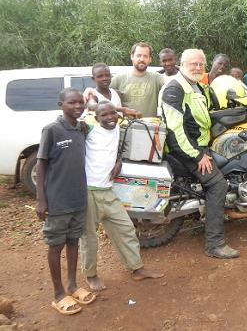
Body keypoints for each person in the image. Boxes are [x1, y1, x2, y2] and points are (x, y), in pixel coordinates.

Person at [160, 49, 239, 259]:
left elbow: (210, 112)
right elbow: (175, 131)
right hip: (185, 151)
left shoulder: (197, 86)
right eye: (192, 64)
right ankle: (215, 244)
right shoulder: (174, 89)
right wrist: (197, 156)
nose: (197, 67)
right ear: (182, 64)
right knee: (217, 184)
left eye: (200, 64)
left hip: (199, 146)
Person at [80, 101, 164, 292]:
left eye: (112, 114)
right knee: (89, 237)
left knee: (125, 228)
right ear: (97, 117)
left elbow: (118, 145)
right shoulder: (89, 128)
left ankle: (136, 269)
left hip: (108, 190)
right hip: (89, 191)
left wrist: (119, 162)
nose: (110, 118)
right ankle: (91, 275)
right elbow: (73, 119)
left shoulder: (118, 127)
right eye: (104, 115)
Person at [35, 88, 95, 316]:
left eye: (81, 102)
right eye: (72, 102)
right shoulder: (51, 130)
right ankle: (58, 293)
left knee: (72, 242)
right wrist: (41, 199)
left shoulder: (81, 128)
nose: (78, 106)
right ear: (61, 104)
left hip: (78, 198)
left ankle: (72, 284)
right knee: (56, 244)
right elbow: (41, 165)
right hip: (57, 200)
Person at [110, 42, 165, 117]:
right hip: (126, 127)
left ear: (150, 59)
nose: (142, 59)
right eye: (138, 55)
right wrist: (89, 90)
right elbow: (100, 93)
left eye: (145, 56)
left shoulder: (157, 78)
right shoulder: (118, 79)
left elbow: (175, 83)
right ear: (132, 57)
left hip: (150, 127)